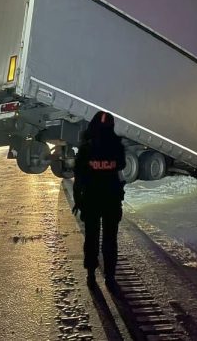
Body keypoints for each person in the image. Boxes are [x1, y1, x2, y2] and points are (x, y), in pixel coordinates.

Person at [72, 111, 126, 287]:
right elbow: (122, 165)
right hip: (111, 199)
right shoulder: (117, 146)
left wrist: (77, 200)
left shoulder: (86, 148)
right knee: (110, 238)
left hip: (91, 199)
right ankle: (110, 275)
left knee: (91, 237)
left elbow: (78, 176)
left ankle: (91, 273)